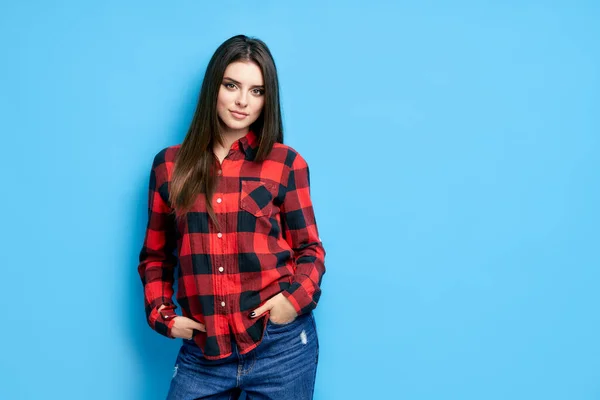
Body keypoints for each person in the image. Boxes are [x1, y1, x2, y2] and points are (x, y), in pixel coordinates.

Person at [137, 34, 326, 400]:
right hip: (204, 351)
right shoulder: (169, 167)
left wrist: (291, 303)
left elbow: (310, 250)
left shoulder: (286, 163)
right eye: (232, 85)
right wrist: (163, 315)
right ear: (214, 88)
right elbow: (156, 257)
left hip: (282, 348)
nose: (243, 101)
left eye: (257, 91)